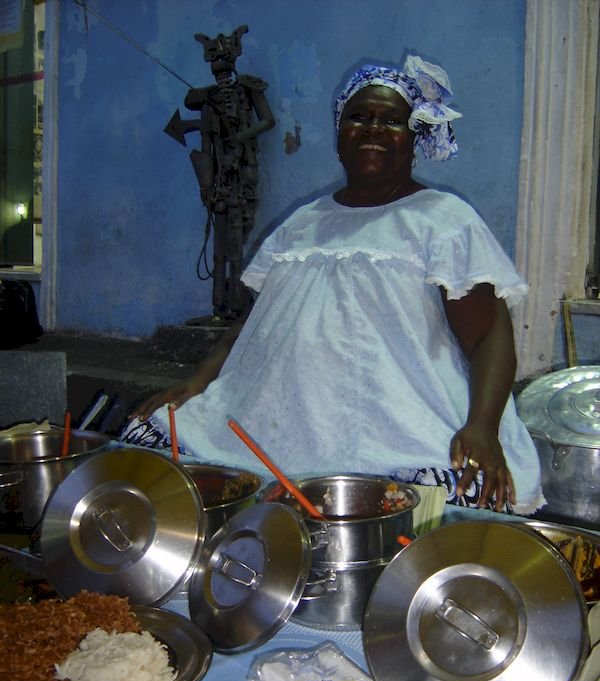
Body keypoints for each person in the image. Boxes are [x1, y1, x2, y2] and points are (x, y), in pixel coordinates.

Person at [123, 55, 544, 515]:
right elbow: (257, 328)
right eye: (359, 116)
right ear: (340, 136)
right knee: (159, 453)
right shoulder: (302, 225)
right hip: (280, 422)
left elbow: (488, 334)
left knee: (423, 511)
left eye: (393, 120)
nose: (373, 129)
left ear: (415, 138)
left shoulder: (443, 221)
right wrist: (199, 381)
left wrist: (482, 425)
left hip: (401, 424)